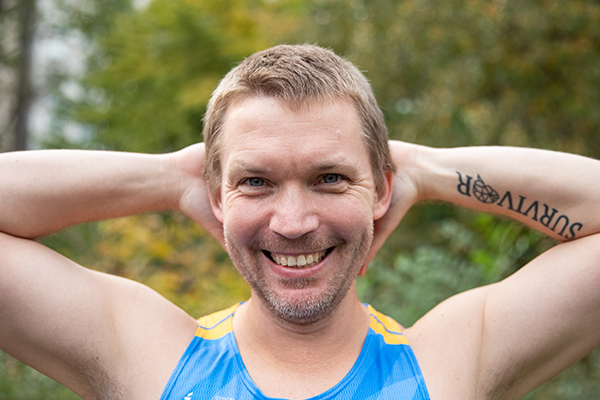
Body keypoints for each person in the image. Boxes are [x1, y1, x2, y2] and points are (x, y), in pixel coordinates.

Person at [1, 44, 600, 400]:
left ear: (381, 190)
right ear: (216, 196)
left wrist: (427, 170)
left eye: (330, 178)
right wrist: (169, 179)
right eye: (256, 181)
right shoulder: (149, 356)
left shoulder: (444, 365)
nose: (292, 222)